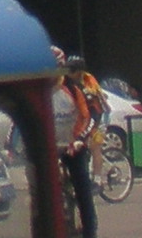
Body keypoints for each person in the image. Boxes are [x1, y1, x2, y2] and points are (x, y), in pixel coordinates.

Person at [47, 48, 98, 238]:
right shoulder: (39, 91)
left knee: (82, 187)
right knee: (40, 193)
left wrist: (80, 139)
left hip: (73, 146)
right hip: (50, 148)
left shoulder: (74, 88)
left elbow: (90, 117)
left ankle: (90, 231)